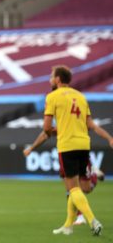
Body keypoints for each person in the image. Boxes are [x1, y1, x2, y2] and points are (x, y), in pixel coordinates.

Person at [39, 65, 113, 236]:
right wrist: (109, 138)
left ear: (58, 79)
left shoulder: (52, 96)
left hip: (67, 145)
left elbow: (46, 127)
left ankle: (93, 222)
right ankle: (68, 226)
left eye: (52, 76)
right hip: (84, 144)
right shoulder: (81, 96)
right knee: (81, 187)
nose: (50, 79)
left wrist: (53, 131)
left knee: (73, 188)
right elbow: (90, 124)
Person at [23, 130, 105, 226]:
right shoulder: (61, 122)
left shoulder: (75, 120)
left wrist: (108, 138)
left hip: (81, 152)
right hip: (66, 153)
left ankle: (93, 174)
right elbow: (46, 133)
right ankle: (79, 217)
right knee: (70, 188)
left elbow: (92, 126)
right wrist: (31, 148)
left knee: (86, 189)